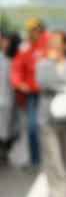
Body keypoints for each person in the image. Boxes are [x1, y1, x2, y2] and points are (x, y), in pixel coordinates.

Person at [36, 31, 66, 197]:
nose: (53, 43)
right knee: (54, 158)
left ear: (65, 45)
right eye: (52, 40)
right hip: (47, 117)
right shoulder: (43, 64)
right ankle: (59, 192)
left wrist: (59, 86)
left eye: (58, 41)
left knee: (63, 157)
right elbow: (41, 83)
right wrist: (64, 86)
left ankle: (57, 187)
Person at [11, 18, 50, 167]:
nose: (30, 34)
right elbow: (17, 69)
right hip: (33, 95)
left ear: (40, 31)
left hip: (49, 94)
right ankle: (35, 159)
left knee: (52, 127)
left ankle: (53, 157)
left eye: (32, 31)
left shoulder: (50, 47)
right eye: (29, 31)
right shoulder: (26, 50)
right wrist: (19, 83)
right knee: (32, 127)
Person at [0, 33, 21, 165]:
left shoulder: (16, 59)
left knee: (10, 126)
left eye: (6, 41)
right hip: (3, 97)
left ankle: (5, 148)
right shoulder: (2, 57)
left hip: (12, 98)